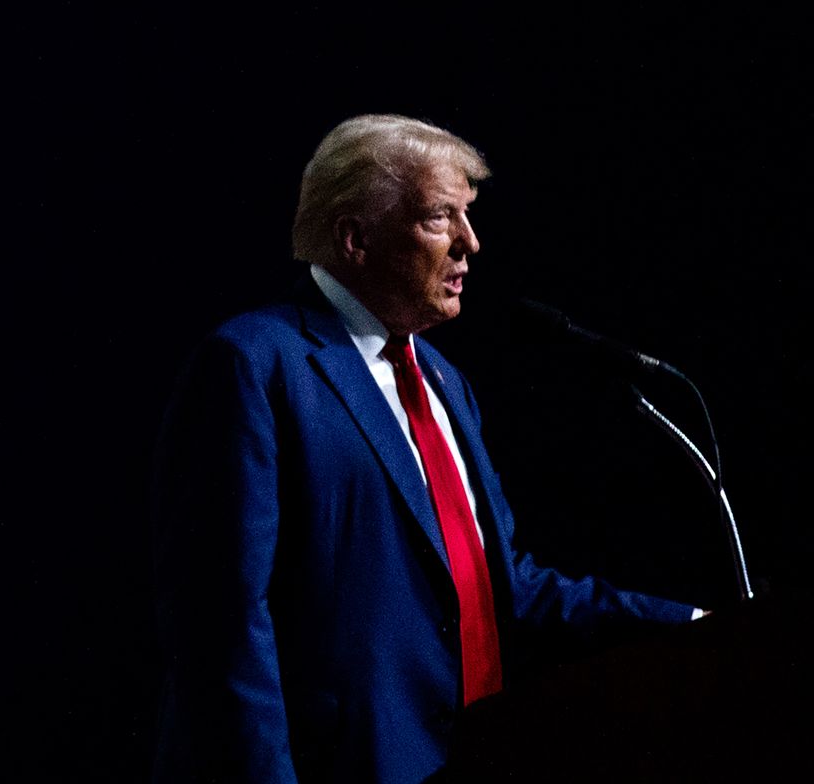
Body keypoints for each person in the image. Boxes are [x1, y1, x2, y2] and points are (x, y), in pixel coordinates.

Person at [150, 114, 696, 783]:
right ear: (355, 238)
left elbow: (499, 587)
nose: (471, 243)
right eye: (441, 217)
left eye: (467, 216)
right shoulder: (255, 365)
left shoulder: (444, 381)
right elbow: (224, 623)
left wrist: (692, 625)